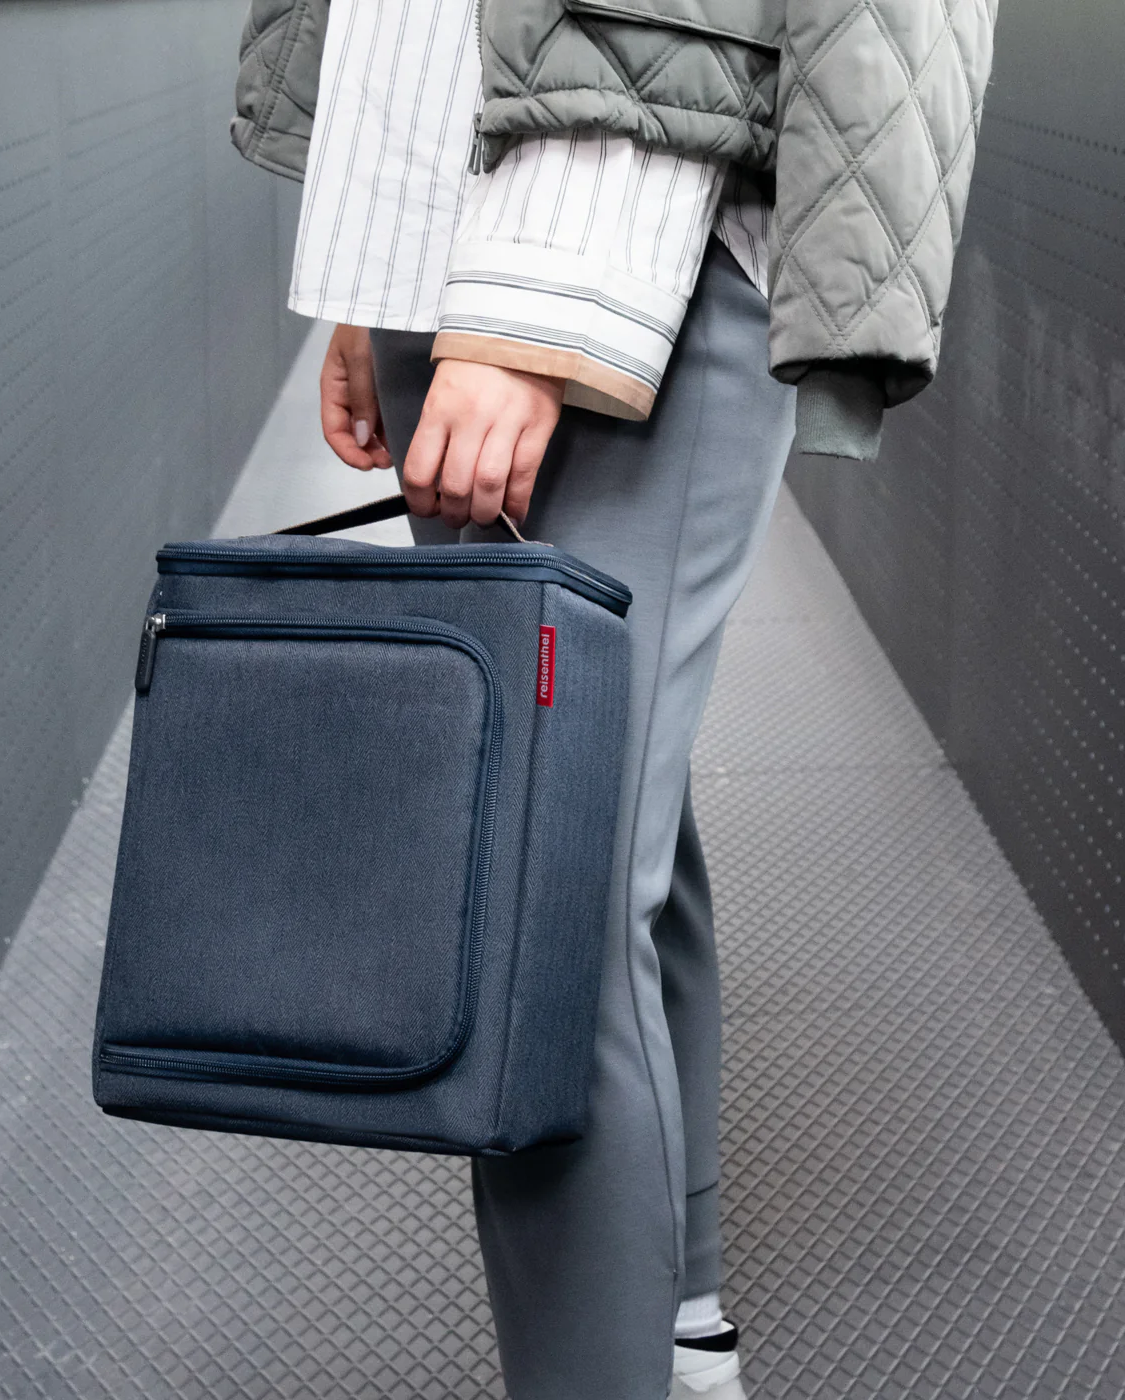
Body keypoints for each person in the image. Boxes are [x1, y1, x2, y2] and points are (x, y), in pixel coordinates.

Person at [231, 0, 997, 1395]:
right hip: (447, 233)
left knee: (545, 899)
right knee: (603, 803)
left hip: (623, 238)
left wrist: (539, 294)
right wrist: (375, 263)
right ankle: (681, 1315)